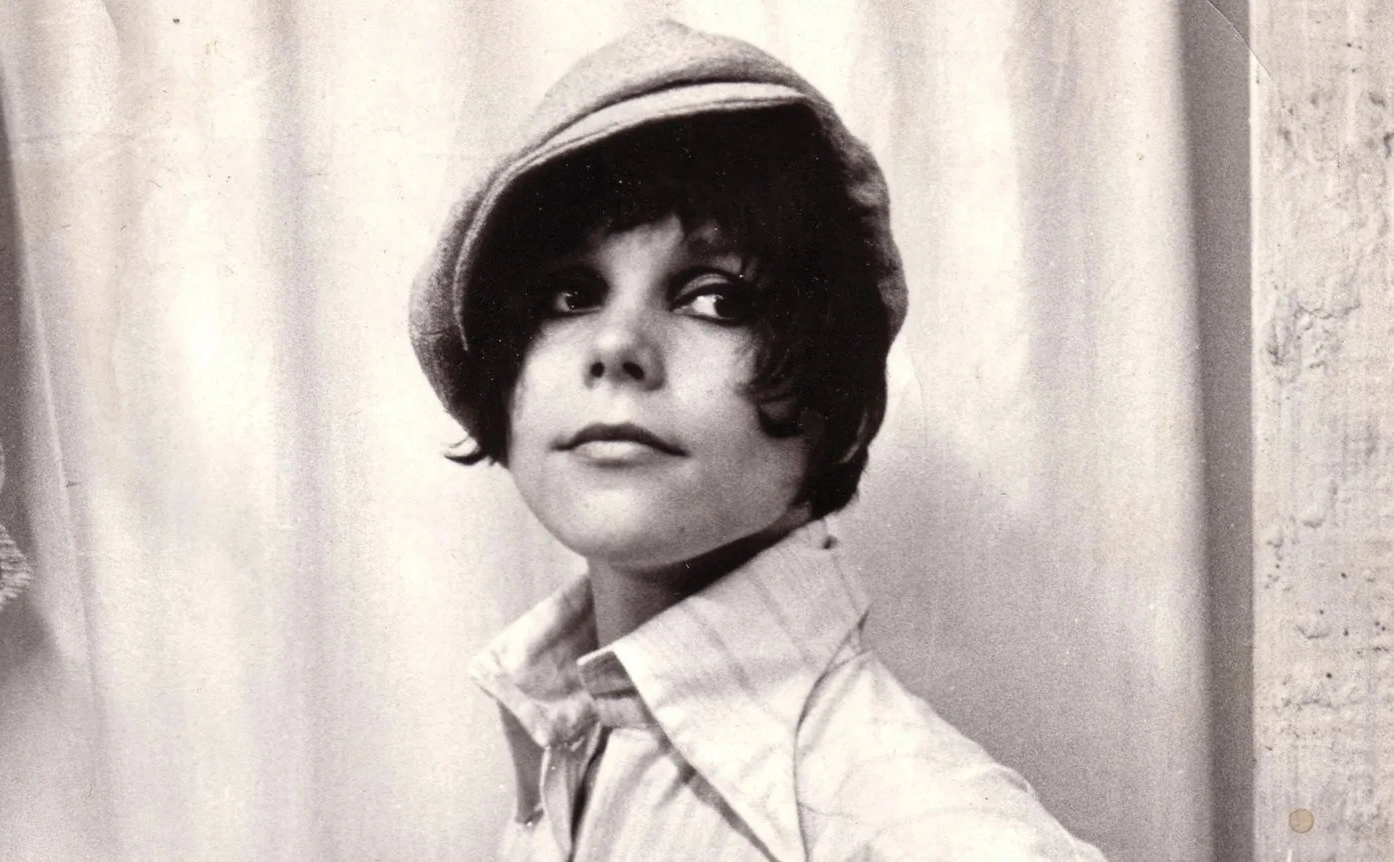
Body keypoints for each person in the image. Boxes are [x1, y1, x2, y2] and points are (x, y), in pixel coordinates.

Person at [410, 20, 1106, 862]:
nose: (616, 345)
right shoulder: (571, 741)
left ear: (836, 407)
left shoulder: (927, 833)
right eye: (568, 296)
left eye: (715, 298)